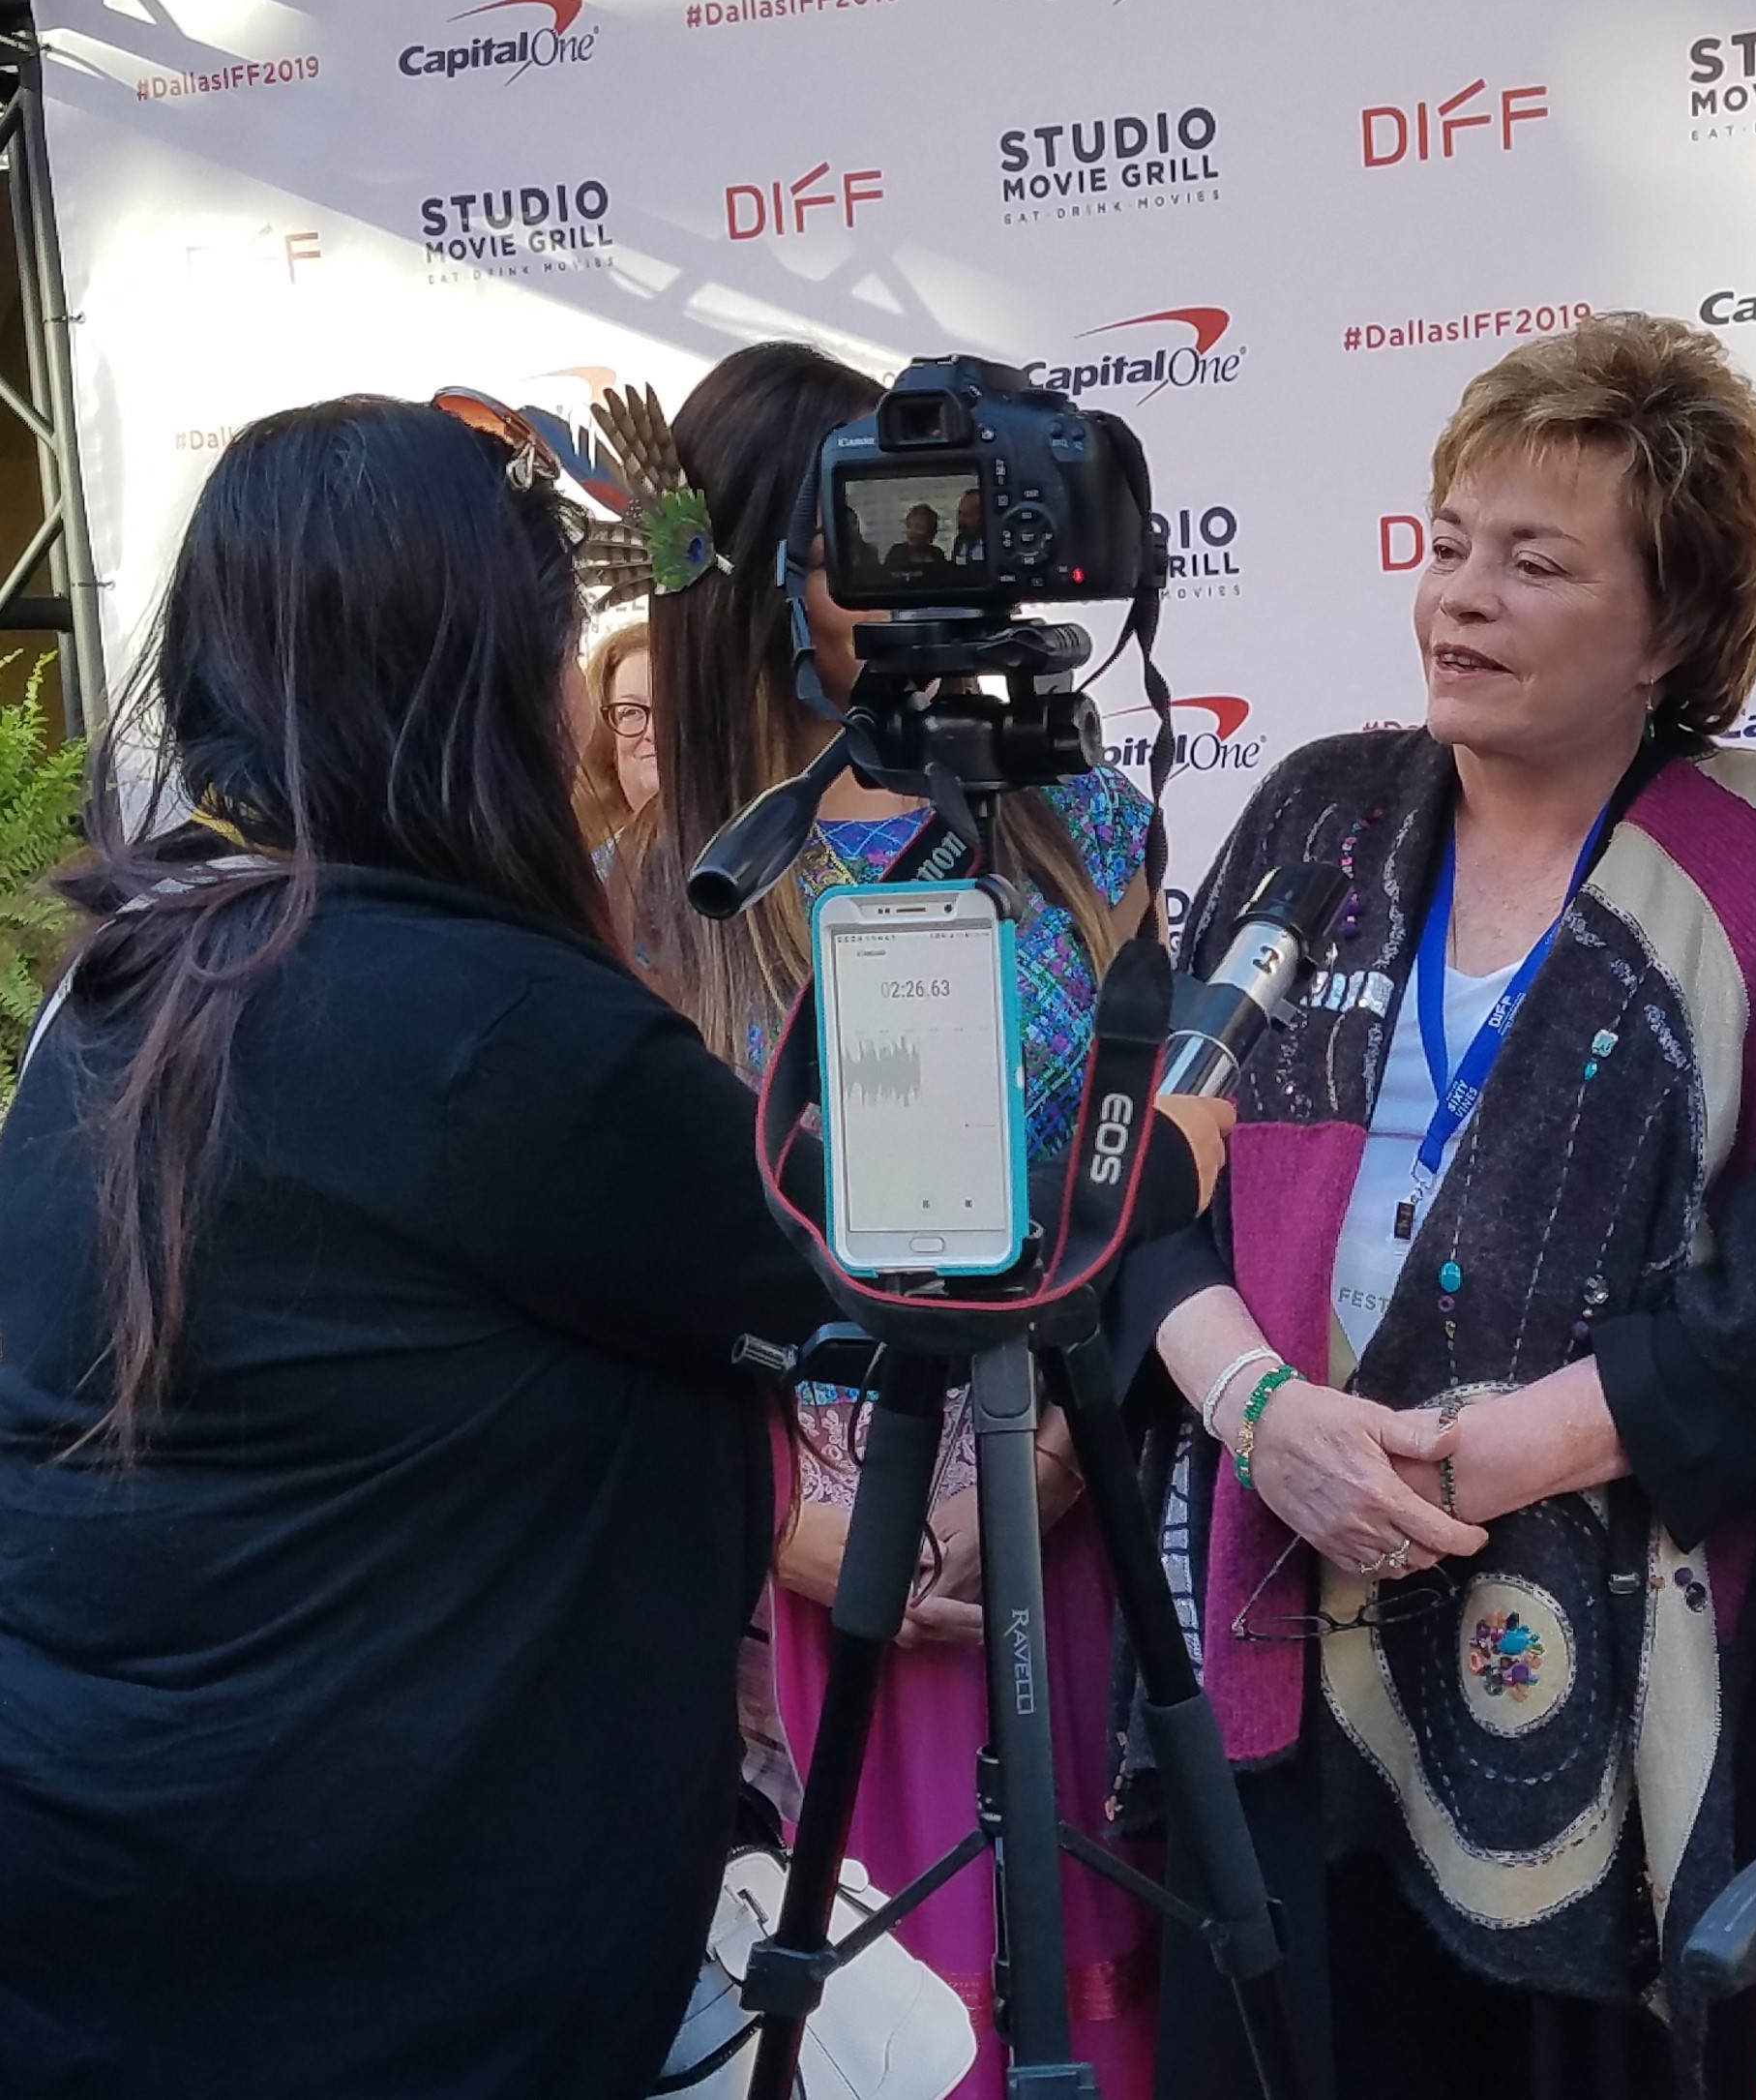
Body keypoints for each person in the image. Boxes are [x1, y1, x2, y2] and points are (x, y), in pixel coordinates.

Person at [0, 392, 1229, 2099]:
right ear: (489, 672)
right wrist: (1167, 1142)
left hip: (127, 1897)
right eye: (564, 642)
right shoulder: (488, 1028)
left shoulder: (136, 969)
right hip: (379, 1946)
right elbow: (924, 1270)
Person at [1116, 314, 1756, 2100]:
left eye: (1534, 562)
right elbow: (1136, 1181)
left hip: (1598, 1671)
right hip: (1262, 1613)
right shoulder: (1314, 809)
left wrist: (1486, 1465)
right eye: (1449, 542)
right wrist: (1265, 1417)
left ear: (1677, 628)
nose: (1460, 596)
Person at [631, 339, 1165, 2094]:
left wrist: (1059, 1459)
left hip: (1053, 1517)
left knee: (1077, 1984)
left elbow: (1131, 1177)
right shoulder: (668, 889)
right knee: (851, 2012)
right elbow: (633, 1282)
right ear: (759, 577)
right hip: (776, 1586)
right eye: (868, 528)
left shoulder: (1089, 820)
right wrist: (788, 1518)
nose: (920, 561)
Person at [573, 617, 655, 951]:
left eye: (672, 708)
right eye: (631, 712)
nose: (652, 732)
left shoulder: (765, 853)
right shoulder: (584, 884)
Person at [884, 500, 947, 571]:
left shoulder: (937, 555)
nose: (912, 532)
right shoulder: (896, 554)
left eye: (919, 528)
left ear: (931, 533)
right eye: (909, 526)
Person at [951, 487, 987, 566]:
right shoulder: (960, 540)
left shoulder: (995, 544)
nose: (960, 520)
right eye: (959, 513)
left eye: (967, 515)